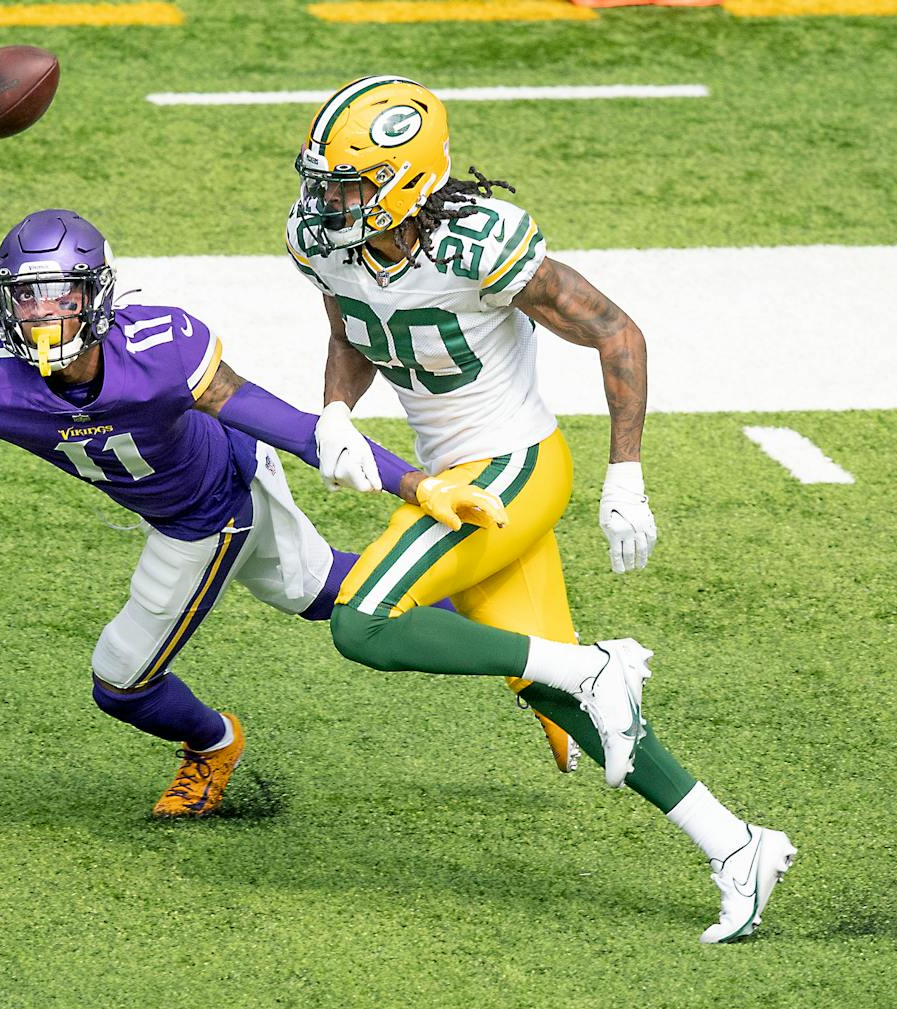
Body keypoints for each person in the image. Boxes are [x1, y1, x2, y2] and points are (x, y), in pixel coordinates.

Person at [0, 208, 508, 820]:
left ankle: (214, 746)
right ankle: (497, 617)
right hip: (203, 490)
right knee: (325, 594)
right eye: (27, 301)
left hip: (208, 507)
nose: (44, 318)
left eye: (61, 299)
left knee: (122, 683)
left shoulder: (159, 346)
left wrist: (414, 485)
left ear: (97, 297)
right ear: (3, 305)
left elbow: (286, 422)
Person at [284, 76, 795, 942]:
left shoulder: (478, 247)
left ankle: (598, 668)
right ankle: (737, 843)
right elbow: (354, 330)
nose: (328, 202)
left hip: (515, 465)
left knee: (364, 622)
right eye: (325, 181)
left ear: (409, 179)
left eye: (351, 184)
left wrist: (623, 474)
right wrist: (337, 409)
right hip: (459, 477)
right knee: (558, 697)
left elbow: (617, 331)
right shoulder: (326, 243)